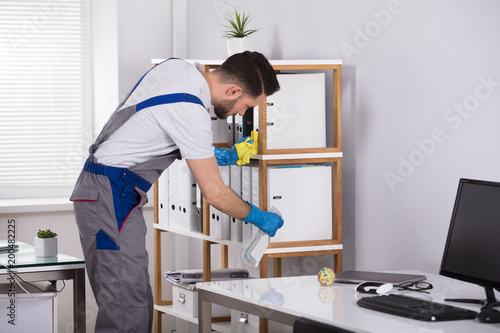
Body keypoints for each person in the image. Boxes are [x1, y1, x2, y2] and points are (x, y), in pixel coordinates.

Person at [70, 51, 284, 333]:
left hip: (106, 192)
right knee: (126, 307)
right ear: (233, 90)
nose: (242, 113)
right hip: (110, 194)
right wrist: (258, 217)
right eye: (246, 105)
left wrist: (221, 155)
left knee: (134, 297)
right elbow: (215, 193)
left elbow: (152, 128)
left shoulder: (177, 69)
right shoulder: (190, 109)